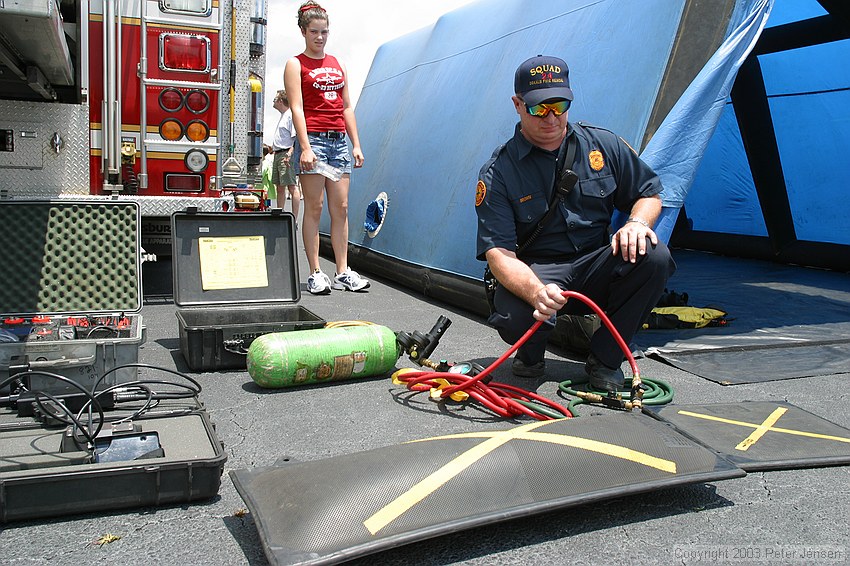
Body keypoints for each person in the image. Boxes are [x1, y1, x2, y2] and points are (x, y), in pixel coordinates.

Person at [475, 55, 676, 391]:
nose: (552, 117)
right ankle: (530, 354)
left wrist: (637, 222)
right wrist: (537, 291)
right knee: (514, 313)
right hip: (538, 269)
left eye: (560, 105)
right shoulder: (499, 173)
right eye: (539, 108)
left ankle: (605, 359)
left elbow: (650, 193)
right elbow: (499, 254)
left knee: (654, 257)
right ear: (517, 105)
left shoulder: (604, 146)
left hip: (596, 262)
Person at [284, 1, 369, 295]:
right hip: (315, 141)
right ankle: (315, 272)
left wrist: (356, 144)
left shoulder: (338, 63)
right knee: (315, 206)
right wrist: (305, 148)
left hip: (338, 143)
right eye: (315, 32)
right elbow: (296, 108)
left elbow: (346, 107)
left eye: (324, 32)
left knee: (341, 208)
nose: (320, 37)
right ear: (304, 32)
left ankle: (343, 270)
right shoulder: (296, 64)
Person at [270, 90, 301, 221]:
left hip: (285, 153)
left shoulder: (290, 116)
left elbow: (296, 138)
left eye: (275, 99)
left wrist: (289, 154)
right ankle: (280, 212)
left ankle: (294, 217)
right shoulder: (283, 116)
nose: (273, 102)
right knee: (279, 186)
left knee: (292, 186)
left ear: (280, 101)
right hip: (278, 154)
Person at [261, 143, 275, 208]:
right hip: (265, 189)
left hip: (262, 189)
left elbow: (262, 174)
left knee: (264, 205)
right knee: (266, 205)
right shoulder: (266, 162)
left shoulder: (264, 163)